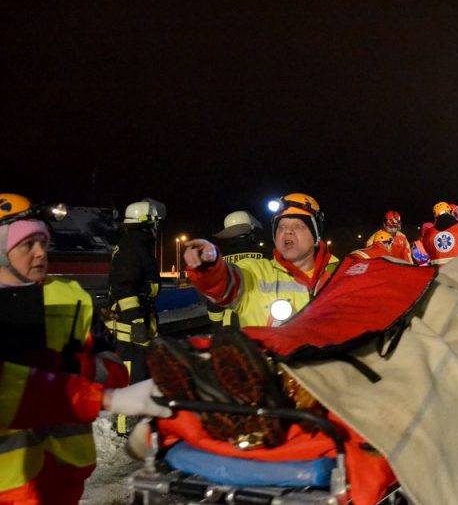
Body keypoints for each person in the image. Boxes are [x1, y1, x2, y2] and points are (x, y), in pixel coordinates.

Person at [0, 194, 171, 504]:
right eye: (28, 245)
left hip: (64, 477)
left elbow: (115, 369)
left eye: (43, 242)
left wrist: (72, 369)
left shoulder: (72, 297)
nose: (42, 253)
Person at [183, 193, 339, 328]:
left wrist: (217, 325)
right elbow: (223, 282)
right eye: (281, 227)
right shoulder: (256, 270)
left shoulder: (345, 272)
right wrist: (209, 266)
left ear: (316, 234)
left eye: (298, 226)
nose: (288, 232)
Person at [106, 200, 162, 434]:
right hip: (131, 324)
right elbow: (124, 287)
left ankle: (143, 419)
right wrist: (136, 321)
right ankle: (124, 424)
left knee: (144, 372)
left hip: (138, 319)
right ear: (147, 222)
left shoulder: (135, 244)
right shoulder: (133, 246)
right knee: (132, 373)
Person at [207, 210, 267, 328]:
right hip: (266, 319)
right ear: (251, 230)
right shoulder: (265, 254)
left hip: (232, 324)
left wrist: (217, 325)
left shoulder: (219, 258)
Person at [422, 202, 458, 266]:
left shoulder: (428, 233)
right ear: (451, 213)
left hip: (438, 273)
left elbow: (427, 252)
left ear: (435, 217)